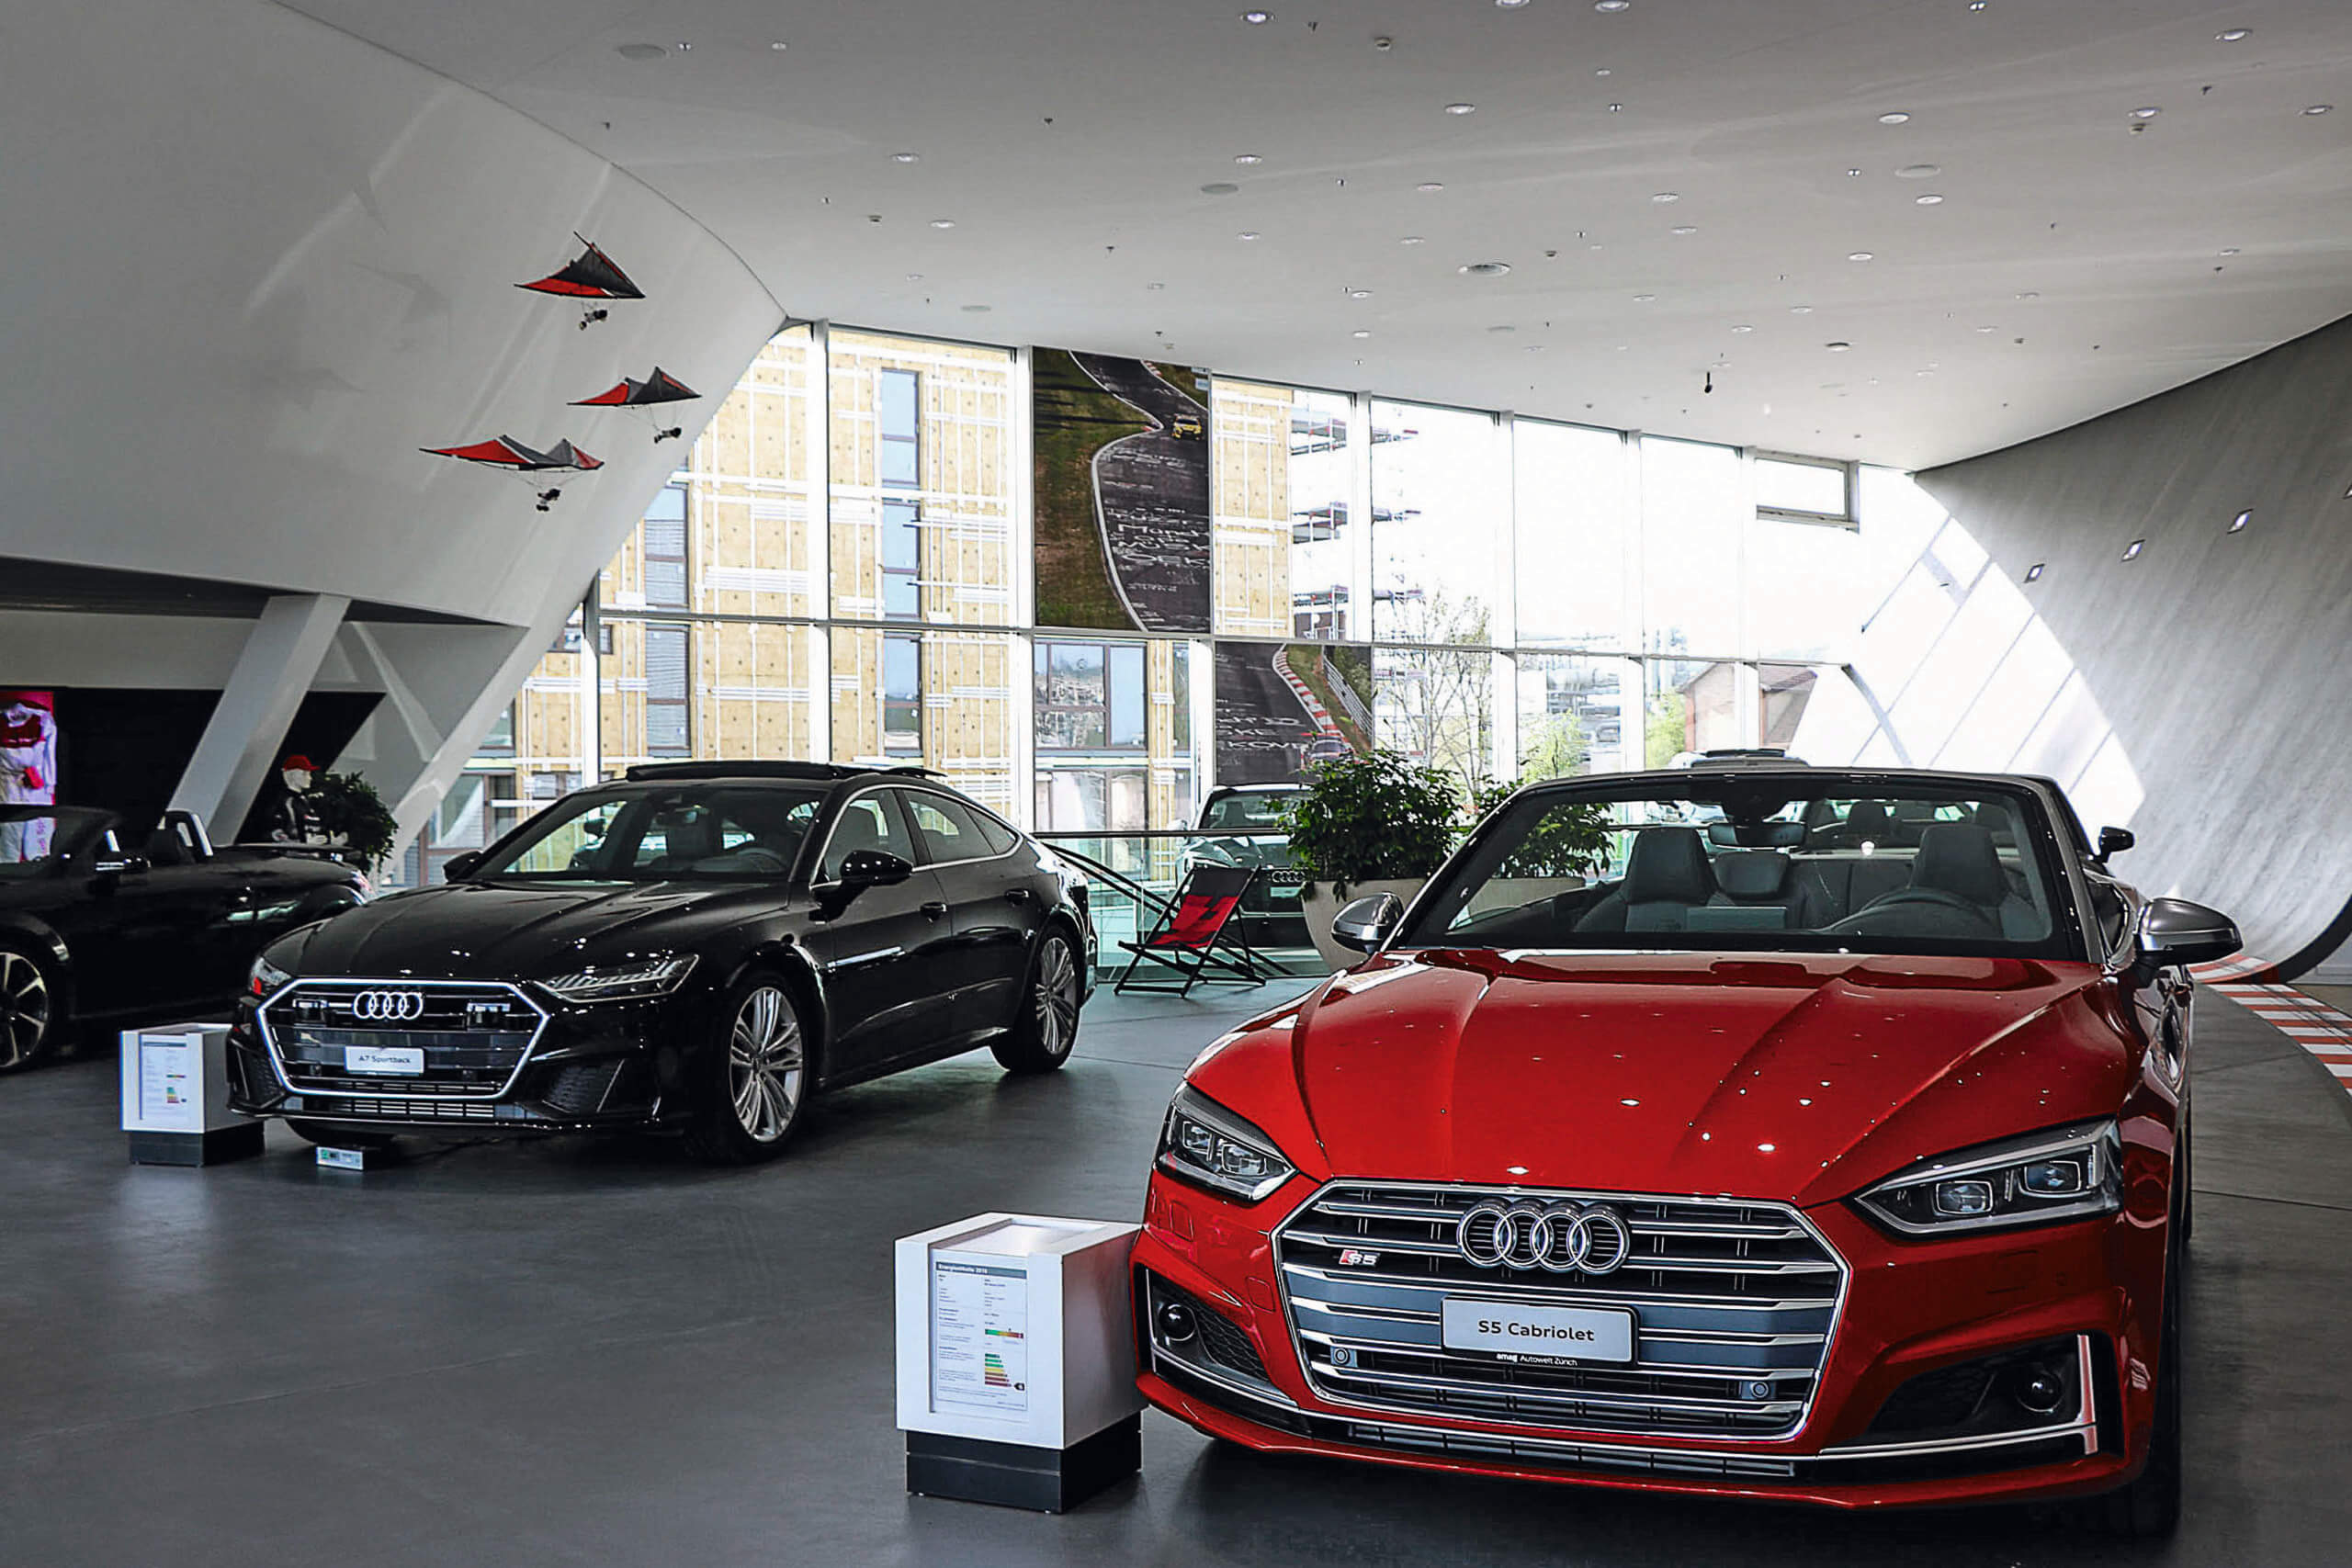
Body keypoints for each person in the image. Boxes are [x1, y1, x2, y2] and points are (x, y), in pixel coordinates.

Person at [0, 691, 59, 863]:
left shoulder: (42, 718)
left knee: (39, 826)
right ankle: (6, 869)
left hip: (36, 781)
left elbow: (50, 753)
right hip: (7, 782)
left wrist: (49, 783)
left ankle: (40, 864)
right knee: (9, 828)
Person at [271, 754, 326, 844]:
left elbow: (311, 826)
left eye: (309, 774)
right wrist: (303, 843)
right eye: (304, 774)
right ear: (292, 775)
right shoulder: (286, 801)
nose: (310, 778)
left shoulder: (304, 800)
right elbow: (278, 833)